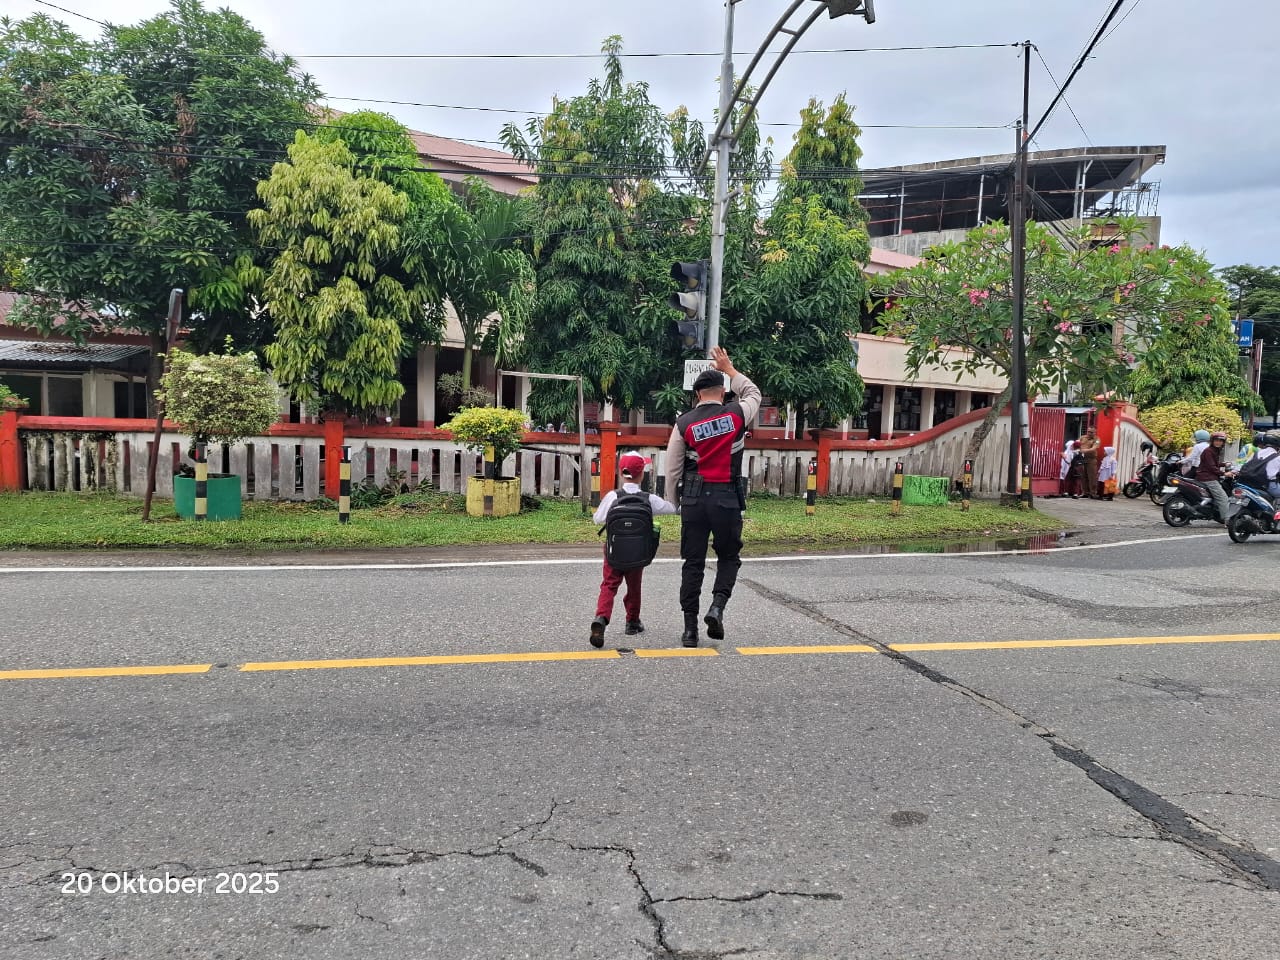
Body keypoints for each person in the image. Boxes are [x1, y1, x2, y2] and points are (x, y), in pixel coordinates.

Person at [664, 345, 762, 647]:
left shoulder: (684, 423)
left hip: (694, 499)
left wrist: (675, 503)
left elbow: (672, 469)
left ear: (697, 395)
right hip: (727, 499)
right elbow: (753, 392)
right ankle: (717, 607)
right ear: (722, 392)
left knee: (692, 563)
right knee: (728, 557)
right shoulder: (737, 414)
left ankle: (690, 630)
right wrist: (729, 368)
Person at [589, 452, 676, 648]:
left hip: (614, 551)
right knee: (634, 587)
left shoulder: (613, 496)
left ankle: (601, 618)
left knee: (609, 585)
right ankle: (632, 622)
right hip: (637, 553)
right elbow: (672, 508)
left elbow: (598, 519)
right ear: (642, 475)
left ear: (621, 472)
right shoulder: (649, 499)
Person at [1182, 430, 1232, 522]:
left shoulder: (1213, 450)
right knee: (1223, 498)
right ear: (1212, 440)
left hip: (1204, 476)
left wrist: (1224, 464)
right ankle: (1227, 520)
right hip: (1209, 478)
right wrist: (1224, 473)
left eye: (1220, 441)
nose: (1218, 442)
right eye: (1216, 440)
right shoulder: (1209, 451)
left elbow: (1212, 464)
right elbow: (1211, 467)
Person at [1078, 427, 1100, 498]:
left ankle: (1093, 493)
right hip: (1082, 459)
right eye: (1088, 431)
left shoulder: (1097, 439)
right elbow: (1077, 444)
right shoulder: (1082, 437)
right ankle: (1085, 492)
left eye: (1091, 432)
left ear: (1095, 432)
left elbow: (1094, 448)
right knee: (1083, 476)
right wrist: (1078, 449)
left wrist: (1085, 450)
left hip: (1091, 460)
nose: (1089, 433)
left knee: (1092, 477)